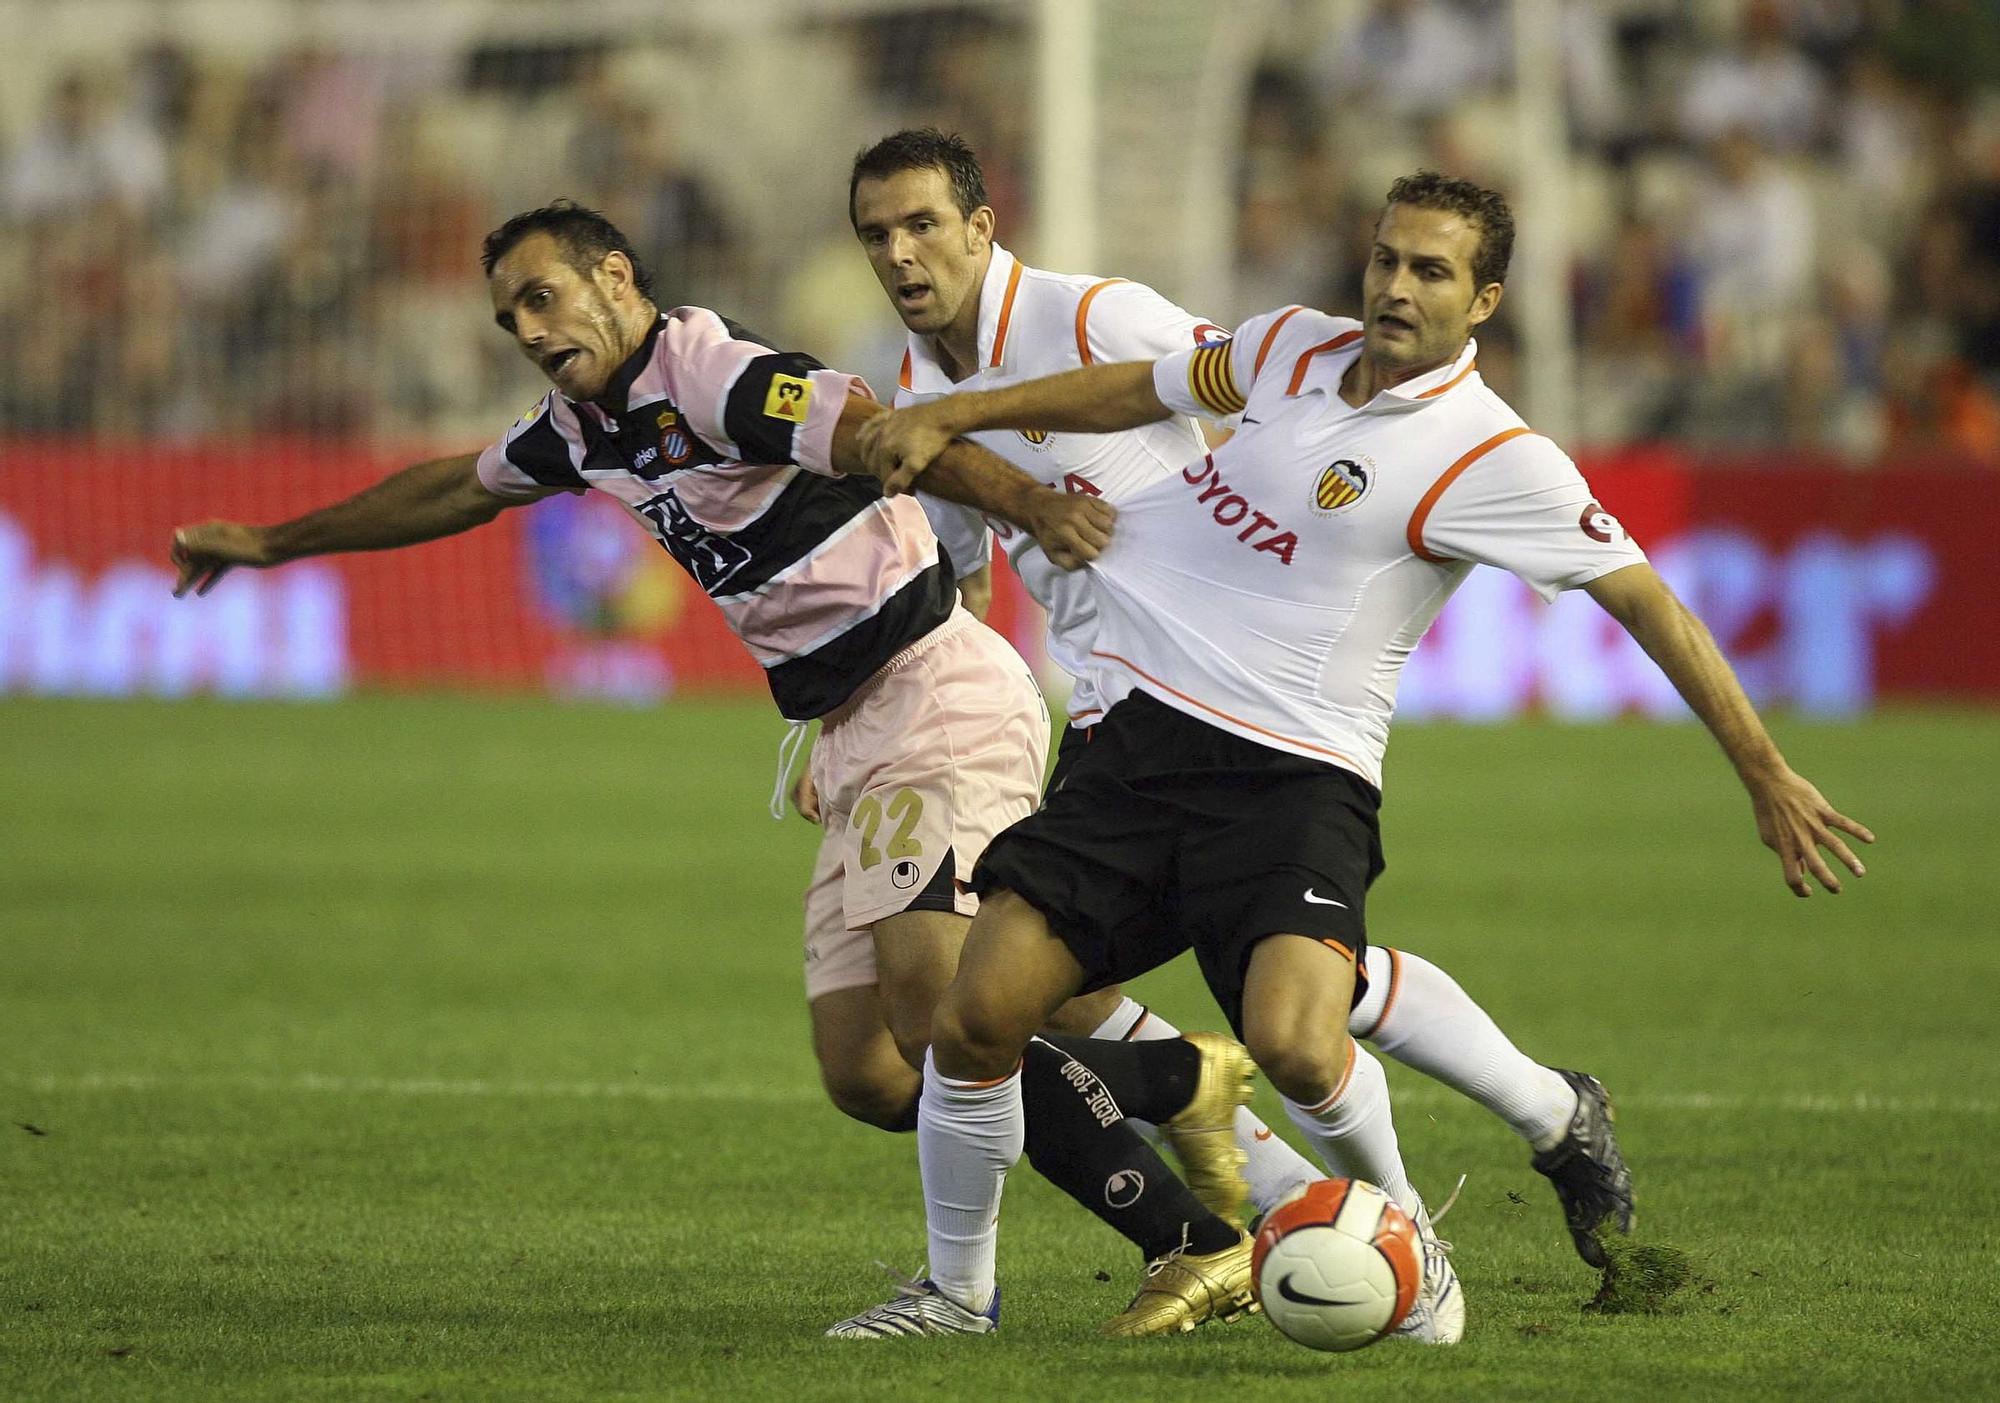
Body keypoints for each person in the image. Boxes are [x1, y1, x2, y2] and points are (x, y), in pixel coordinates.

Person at [169, 201, 1263, 1341]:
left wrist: (1033, 502)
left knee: (944, 1020)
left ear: (614, 276)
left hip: (932, 695)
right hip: (846, 728)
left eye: (542, 297)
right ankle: (1174, 1079)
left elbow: (884, 433)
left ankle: (1139, 1250)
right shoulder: (582, 425)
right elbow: (453, 486)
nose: (529, 329)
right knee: (871, 1074)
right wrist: (274, 542)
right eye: (507, 316)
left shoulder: (716, 375)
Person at [853, 169, 1874, 1341]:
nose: (1395, 286)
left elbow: (1644, 599)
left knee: (1293, 1036)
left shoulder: (1491, 454)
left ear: (1483, 298)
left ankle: (1409, 1238)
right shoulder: (1289, 345)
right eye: (1386, 258)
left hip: (1292, 772)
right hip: (1138, 740)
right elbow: (1132, 390)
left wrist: (1759, 767)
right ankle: (953, 1296)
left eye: (1430, 271)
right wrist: (957, 413)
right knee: (977, 1015)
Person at [832, 129, 1633, 1289]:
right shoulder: (920, 390)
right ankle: (1506, 1123)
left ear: (978, 226)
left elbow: (1244, 411)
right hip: (1111, 704)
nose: (899, 254)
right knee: (1133, 981)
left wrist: (1247, 582)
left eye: (917, 225)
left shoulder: (1093, 314)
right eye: (874, 235)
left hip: (1219, 692)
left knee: (1246, 989)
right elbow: (967, 576)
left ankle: (1348, 1201)